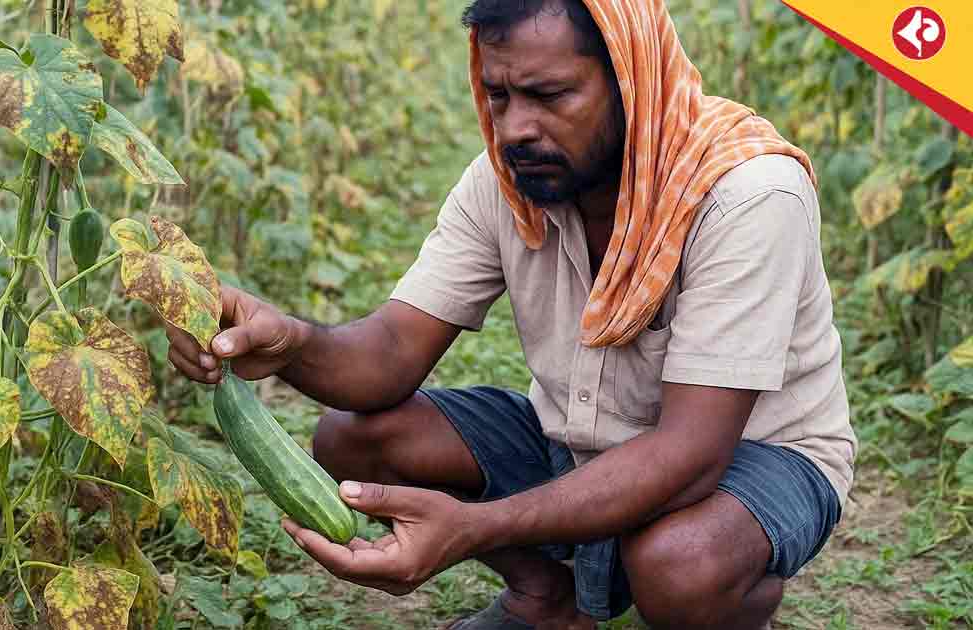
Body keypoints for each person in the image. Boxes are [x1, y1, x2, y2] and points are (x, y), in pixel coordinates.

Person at [165, 1, 857, 628]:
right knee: (354, 439)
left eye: (549, 95)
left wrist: (470, 527)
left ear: (631, 79)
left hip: (751, 456)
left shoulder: (747, 193)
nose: (515, 127)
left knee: (679, 566)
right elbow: (386, 355)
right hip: (580, 439)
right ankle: (546, 599)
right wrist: (287, 340)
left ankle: (739, 604)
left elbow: (689, 456)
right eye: (498, 94)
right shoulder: (506, 182)